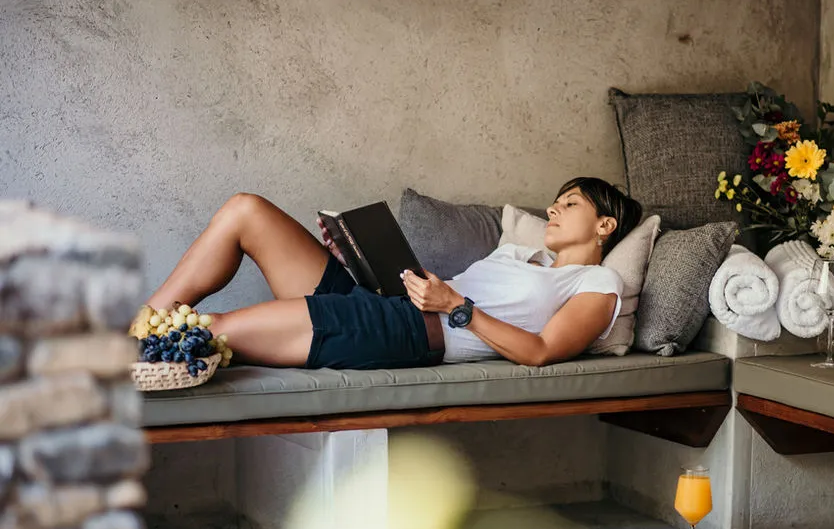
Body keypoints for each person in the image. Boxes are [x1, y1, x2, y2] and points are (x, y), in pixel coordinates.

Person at [143, 177, 642, 369]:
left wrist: (456, 308)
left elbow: (540, 352)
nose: (553, 210)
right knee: (245, 210)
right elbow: (438, 293)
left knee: (218, 329)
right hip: (386, 302)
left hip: (406, 332)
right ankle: (142, 321)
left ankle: (131, 348)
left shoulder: (597, 284)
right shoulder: (517, 253)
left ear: (604, 225)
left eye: (569, 203)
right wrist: (357, 257)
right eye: (553, 202)